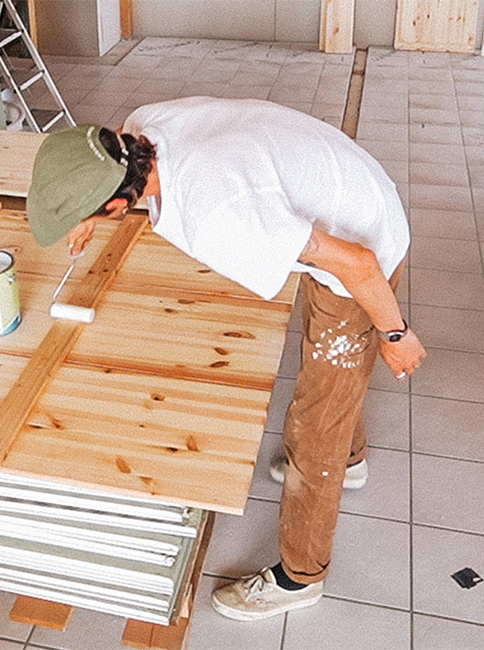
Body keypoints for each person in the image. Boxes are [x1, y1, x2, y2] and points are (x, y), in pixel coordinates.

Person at [25, 96, 426, 622]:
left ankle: (300, 577)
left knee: (315, 423)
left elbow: (356, 262)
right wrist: (90, 212)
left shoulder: (218, 207)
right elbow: (112, 171)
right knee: (328, 363)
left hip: (364, 245)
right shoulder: (141, 131)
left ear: (117, 203)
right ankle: (349, 461)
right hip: (339, 184)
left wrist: (394, 333)